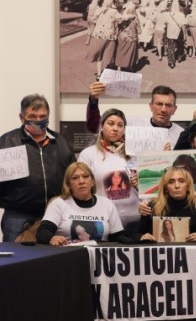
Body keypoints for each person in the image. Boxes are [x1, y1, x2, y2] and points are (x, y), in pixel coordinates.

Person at [0, 94, 75, 241]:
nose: (38, 120)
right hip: (18, 216)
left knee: (53, 261)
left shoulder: (61, 142)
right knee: (17, 262)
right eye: (32, 116)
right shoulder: (7, 142)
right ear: (22, 118)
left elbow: (72, 173)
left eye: (42, 116)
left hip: (55, 215)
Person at [36, 162, 126, 245]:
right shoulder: (58, 204)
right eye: (75, 178)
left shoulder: (107, 204)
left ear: (92, 181)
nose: (81, 181)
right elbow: (42, 232)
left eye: (85, 176)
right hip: (67, 256)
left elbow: (118, 237)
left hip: (100, 258)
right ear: (68, 184)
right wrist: (52, 238)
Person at [78, 109, 141, 226]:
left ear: (124, 129)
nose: (115, 128)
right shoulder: (88, 154)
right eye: (111, 124)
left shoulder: (134, 154)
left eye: (120, 125)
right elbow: (81, 187)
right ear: (102, 127)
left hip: (136, 219)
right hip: (104, 219)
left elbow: (149, 187)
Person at [86, 84, 185, 147]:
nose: (163, 109)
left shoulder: (181, 134)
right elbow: (96, 127)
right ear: (151, 106)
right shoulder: (132, 123)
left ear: (174, 109)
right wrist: (93, 100)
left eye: (168, 105)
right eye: (159, 104)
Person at [137, 167, 196, 242]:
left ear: (188, 186)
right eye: (171, 182)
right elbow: (137, 235)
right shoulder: (152, 207)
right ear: (166, 188)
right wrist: (142, 237)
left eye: (181, 181)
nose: (177, 186)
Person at [113, 0, 140, 72]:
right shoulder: (135, 17)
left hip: (122, 36)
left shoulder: (122, 16)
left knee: (120, 51)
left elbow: (117, 25)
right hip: (132, 37)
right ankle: (129, 66)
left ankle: (119, 67)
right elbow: (139, 30)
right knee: (130, 53)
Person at [160, 0, 187, 68]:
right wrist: (185, 34)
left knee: (171, 47)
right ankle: (179, 57)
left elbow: (164, 22)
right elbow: (183, 25)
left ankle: (171, 62)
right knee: (180, 46)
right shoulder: (181, 15)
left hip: (170, 33)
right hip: (178, 33)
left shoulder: (167, 14)